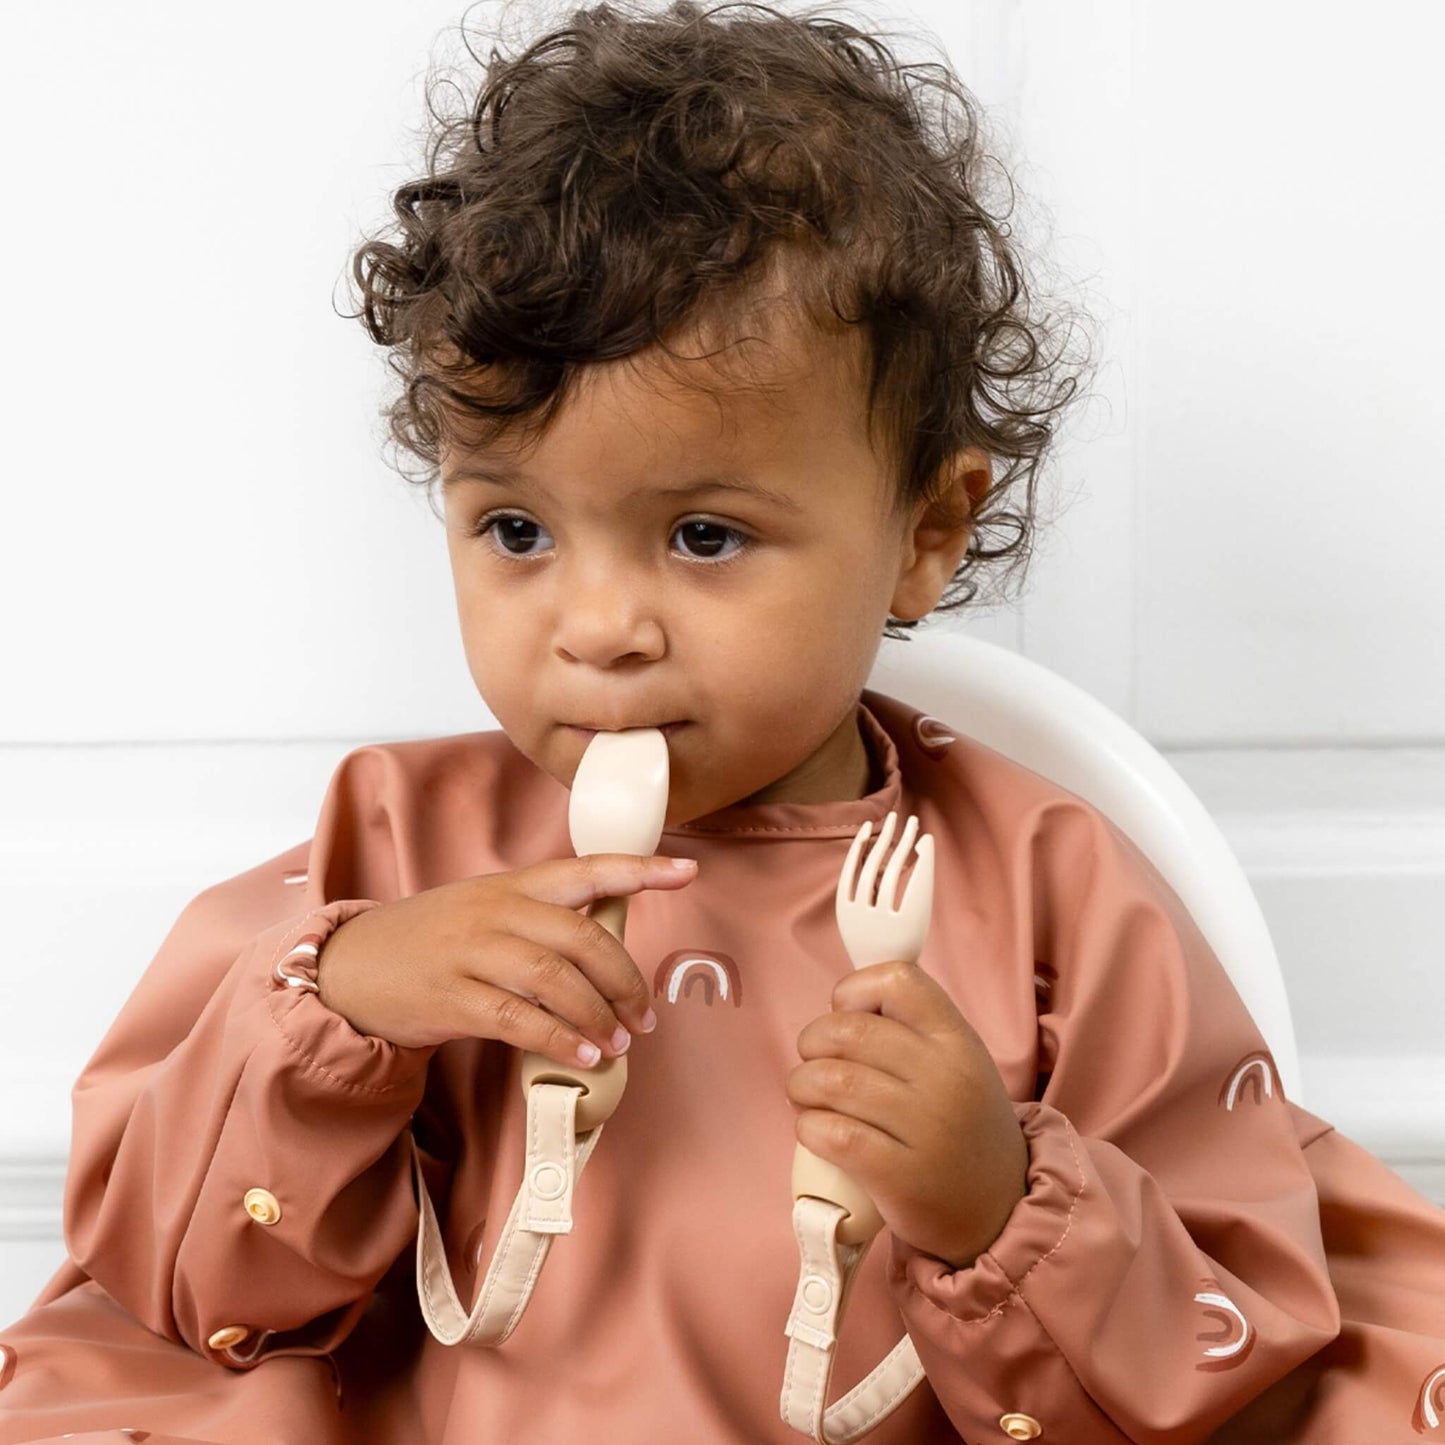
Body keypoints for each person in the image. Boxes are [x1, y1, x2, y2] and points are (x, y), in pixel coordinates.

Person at [1, 2, 1442, 1441]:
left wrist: (995, 1200)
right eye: (514, 526)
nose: (596, 625)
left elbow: (1226, 1354)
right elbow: (175, 1276)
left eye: (700, 535)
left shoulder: (1052, 895)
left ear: (928, 530)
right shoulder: (391, 838)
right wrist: (351, 1005)